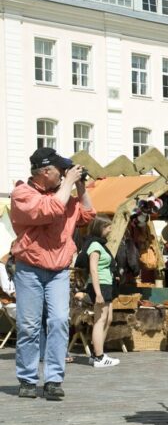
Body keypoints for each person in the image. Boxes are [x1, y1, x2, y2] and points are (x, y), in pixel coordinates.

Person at [11, 148, 96, 400]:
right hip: (30, 269)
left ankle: (53, 380)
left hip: (58, 270)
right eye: (60, 170)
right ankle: (27, 378)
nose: (63, 174)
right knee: (29, 326)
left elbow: (89, 214)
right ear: (45, 172)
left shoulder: (64, 195)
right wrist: (68, 183)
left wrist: (80, 187)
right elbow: (48, 210)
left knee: (59, 322)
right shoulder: (21, 193)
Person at [83, 216, 120, 368]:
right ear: (100, 228)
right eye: (108, 227)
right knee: (100, 319)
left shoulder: (101, 245)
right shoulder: (94, 245)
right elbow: (93, 269)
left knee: (108, 318)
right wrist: (98, 293)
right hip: (100, 285)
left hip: (106, 284)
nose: (110, 230)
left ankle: (98, 353)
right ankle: (98, 357)